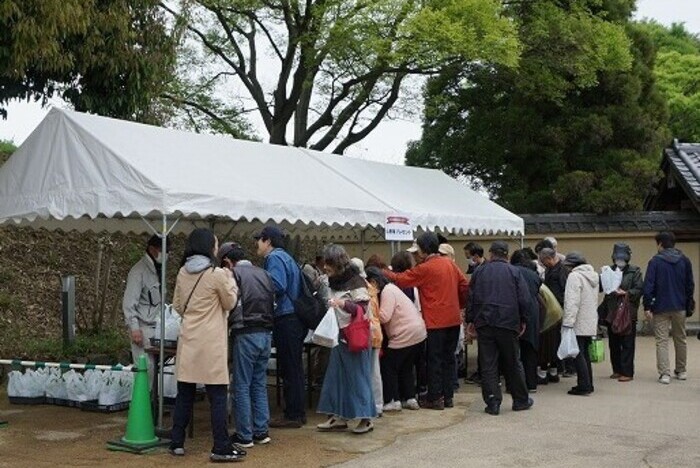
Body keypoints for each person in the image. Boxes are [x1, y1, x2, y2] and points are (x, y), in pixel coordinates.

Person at [169, 228, 242, 462]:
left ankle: (176, 442)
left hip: (189, 339)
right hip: (211, 342)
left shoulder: (182, 272)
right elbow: (230, 302)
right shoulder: (217, 274)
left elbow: (178, 306)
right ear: (209, 247)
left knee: (185, 394)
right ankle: (220, 446)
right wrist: (230, 280)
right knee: (217, 396)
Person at [384, 232, 469, 410]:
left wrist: (383, 271)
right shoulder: (450, 264)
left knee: (434, 360)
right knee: (449, 358)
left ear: (423, 250)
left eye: (418, 250)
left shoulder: (426, 268)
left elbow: (401, 279)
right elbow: (464, 285)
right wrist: (458, 304)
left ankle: (435, 397)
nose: (416, 255)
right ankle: (448, 397)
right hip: (453, 319)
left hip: (435, 321)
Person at [218, 242, 275, 448]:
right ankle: (261, 431)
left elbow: (231, 304)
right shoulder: (264, 273)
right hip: (266, 333)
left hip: (245, 332)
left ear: (227, 261)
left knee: (241, 385)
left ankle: (244, 435)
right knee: (259, 383)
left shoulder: (234, 274)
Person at [466, 241, 532, 415]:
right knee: (513, 362)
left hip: (485, 322)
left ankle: (493, 402)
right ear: (507, 255)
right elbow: (524, 300)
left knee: (488, 363)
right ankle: (520, 400)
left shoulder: (479, 271)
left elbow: (471, 298)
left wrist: (470, 321)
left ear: (491, 254)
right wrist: (523, 320)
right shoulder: (514, 272)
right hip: (508, 322)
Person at [317, 245, 376, 434]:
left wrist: (342, 303)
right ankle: (338, 416)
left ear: (337, 263)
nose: (325, 267)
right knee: (336, 377)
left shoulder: (357, 281)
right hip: (339, 334)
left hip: (353, 335)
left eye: (328, 263)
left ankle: (366, 419)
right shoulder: (333, 280)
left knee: (357, 378)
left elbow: (362, 308)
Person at [254, 225, 305, 428]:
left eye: (259, 240)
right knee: (294, 367)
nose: (257, 244)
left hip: (286, 317)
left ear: (268, 241)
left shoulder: (274, 258)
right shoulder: (286, 256)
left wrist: (258, 287)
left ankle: (292, 414)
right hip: (294, 318)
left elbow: (278, 285)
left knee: (290, 368)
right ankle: (297, 412)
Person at [366, 267, 426, 412]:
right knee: (406, 366)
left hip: (404, 334)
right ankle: (410, 398)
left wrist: (371, 313)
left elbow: (385, 316)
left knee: (388, 366)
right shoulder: (394, 288)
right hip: (418, 332)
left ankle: (393, 400)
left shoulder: (387, 291)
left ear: (374, 281)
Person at [643, 232, 695, 385]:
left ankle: (664, 374)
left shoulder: (655, 262)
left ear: (660, 244)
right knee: (681, 338)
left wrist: (647, 306)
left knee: (662, 341)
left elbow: (648, 286)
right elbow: (690, 285)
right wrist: (689, 304)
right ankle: (681, 370)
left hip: (660, 306)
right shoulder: (685, 260)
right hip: (680, 306)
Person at [122, 234, 170, 383]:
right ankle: (142, 404)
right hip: (142, 329)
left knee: (154, 372)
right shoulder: (138, 271)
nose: (167, 254)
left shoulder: (158, 270)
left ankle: (151, 404)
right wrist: (134, 328)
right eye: (164, 250)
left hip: (157, 328)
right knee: (145, 371)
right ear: (152, 249)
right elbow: (129, 303)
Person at [599, 243, 643, 382]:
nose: (620, 261)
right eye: (617, 258)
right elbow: (602, 288)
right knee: (614, 343)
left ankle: (627, 372)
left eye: (622, 258)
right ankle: (617, 369)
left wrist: (626, 293)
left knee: (628, 343)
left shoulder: (635, 271)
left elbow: (639, 289)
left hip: (628, 311)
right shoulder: (609, 270)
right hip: (612, 311)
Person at [561, 252, 599, 396]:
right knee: (585, 355)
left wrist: (568, 323)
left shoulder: (574, 277)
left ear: (573, 266)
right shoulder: (593, 276)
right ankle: (589, 383)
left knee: (577, 354)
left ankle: (584, 386)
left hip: (577, 321)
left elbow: (572, 302)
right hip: (590, 320)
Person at [351, 257, 384, 416]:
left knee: (367, 372)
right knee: (374, 371)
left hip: (366, 332)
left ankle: (373, 406)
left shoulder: (359, 287)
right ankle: (377, 405)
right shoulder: (370, 286)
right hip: (375, 331)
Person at [510, 249, 542, 393]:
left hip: (514, 314)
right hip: (533, 313)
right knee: (530, 350)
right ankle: (531, 383)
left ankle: (515, 386)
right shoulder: (534, 275)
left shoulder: (510, 271)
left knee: (513, 353)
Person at [538, 247, 568, 384]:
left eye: (543, 261)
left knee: (550, 342)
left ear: (549, 258)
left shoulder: (561, 271)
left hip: (556, 311)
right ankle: (553, 370)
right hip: (553, 309)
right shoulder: (552, 269)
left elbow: (564, 292)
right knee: (553, 342)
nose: (543, 264)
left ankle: (548, 370)